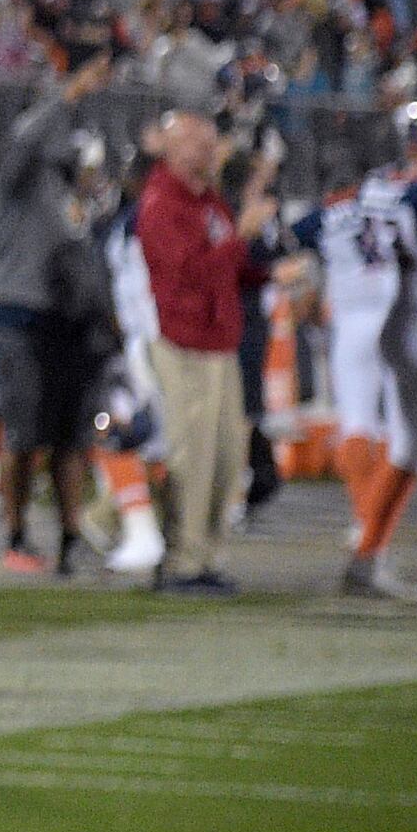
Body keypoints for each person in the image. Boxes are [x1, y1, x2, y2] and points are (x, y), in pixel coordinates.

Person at [134, 110, 278, 594]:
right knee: (191, 459)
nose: (211, 151)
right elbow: (189, 273)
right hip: (183, 342)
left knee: (224, 458)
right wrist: (244, 237)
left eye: (212, 143)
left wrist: (268, 274)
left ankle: (207, 556)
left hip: (220, 341)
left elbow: (223, 270)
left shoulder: (208, 201)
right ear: (173, 150)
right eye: (200, 144)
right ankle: (180, 561)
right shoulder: (160, 204)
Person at [291, 105, 417, 600]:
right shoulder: (406, 197)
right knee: (398, 439)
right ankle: (368, 537)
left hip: (367, 325)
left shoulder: (334, 211)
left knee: (377, 435)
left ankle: (365, 539)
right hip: (403, 320)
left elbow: (280, 244)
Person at [0, 57, 111, 568]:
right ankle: (15, 532)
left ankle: (70, 536)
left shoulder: (74, 202)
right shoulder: (19, 184)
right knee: (24, 433)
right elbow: (23, 141)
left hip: (68, 325)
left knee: (71, 437)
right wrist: (69, 92)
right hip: (19, 317)